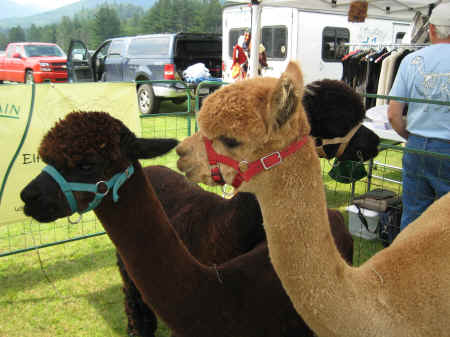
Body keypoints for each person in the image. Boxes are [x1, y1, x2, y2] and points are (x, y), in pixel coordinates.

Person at [387, 2, 450, 231]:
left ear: (431, 30)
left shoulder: (411, 61)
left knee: (413, 217)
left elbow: (394, 115)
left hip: (416, 146)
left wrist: (412, 137)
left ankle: (407, 264)